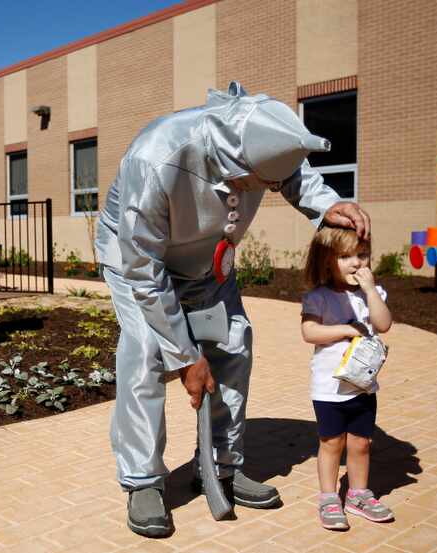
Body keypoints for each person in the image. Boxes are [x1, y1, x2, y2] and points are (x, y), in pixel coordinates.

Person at [95, 81, 371, 538]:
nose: (260, 191)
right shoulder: (157, 157)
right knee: (145, 353)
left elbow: (294, 175)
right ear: (234, 160)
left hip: (208, 261)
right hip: (136, 261)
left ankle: (221, 464)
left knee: (234, 344)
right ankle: (143, 480)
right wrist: (185, 357)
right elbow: (144, 268)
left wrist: (327, 206)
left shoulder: (260, 144)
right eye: (255, 182)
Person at [300, 226, 394, 530]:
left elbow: (384, 323)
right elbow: (309, 332)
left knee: (361, 443)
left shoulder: (373, 295)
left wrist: (369, 291)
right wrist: (345, 329)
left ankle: (358, 494)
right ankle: (329, 496)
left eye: (362, 255)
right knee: (331, 443)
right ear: (328, 260)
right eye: (345, 256)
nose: (356, 262)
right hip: (329, 388)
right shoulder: (319, 297)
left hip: (363, 386)